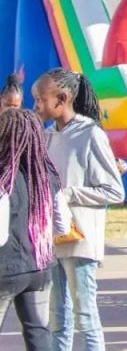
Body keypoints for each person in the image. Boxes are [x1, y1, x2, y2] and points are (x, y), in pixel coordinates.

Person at [34, 68, 125, 351]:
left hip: (80, 241)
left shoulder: (90, 134)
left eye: (40, 99)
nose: (36, 105)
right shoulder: (47, 136)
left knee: (85, 316)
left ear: (62, 98)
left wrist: (68, 194)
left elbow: (114, 190)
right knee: (57, 318)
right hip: (52, 240)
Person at [0, 108, 69, 351]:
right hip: (39, 267)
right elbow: (62, 223)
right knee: (38, 330)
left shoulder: (3, 175)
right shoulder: (46, 173)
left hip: (5, 268)